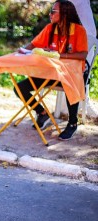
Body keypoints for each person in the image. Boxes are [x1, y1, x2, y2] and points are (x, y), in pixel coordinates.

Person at [14, 0, 88, 140]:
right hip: (49, 73)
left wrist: (61, 55)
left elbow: (83, 54)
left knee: (70, 84)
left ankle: (72, 123)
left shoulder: (79, 30)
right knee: (19, 88)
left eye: (53, 11)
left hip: (70, 75)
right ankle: (42, 113)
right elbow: (34, 44)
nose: (50, 14)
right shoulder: (50, 28)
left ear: (65, 14)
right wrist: (22, 50)